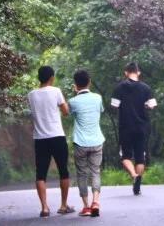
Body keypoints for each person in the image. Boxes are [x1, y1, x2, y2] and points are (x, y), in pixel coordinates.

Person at [27, 66, 75, 217]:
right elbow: (66, 112)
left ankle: (45, 208)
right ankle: (63, 205)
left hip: (40, 138)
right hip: (57, 136)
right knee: (63, 171)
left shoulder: (31, 95)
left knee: (40, 174)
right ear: (51, 78)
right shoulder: (56, 91)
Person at [110, 62, 157, 195]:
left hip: (125, 126)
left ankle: (134, 175)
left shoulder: (119, 88)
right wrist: (144, 106)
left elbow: (114, 106)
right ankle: (138, 183)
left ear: (126, 72)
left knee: (125, 156)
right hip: (141, 126)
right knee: (140, 157)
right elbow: (152, 105)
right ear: (138, 72)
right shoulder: (146, 88)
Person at [68, 70, 105, 217]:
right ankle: (96, 201)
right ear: (89, 82)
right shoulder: (98, 98)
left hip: (80, 142)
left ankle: (86, 207)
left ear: (75, 84)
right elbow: (99, 112)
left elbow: (69, 113)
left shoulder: (73, 101)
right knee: (95, 172)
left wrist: (75, 94)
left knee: (82, 174)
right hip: (96, 141)